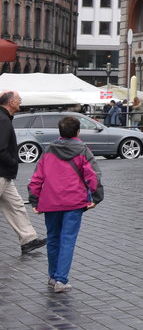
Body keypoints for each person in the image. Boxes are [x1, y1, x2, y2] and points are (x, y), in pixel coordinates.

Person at [28, 115, 100, 292]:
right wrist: (96, 198)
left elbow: (37, 177)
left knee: (53, 239)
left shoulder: (49, 150)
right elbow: (93, 176)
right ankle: (61, 280)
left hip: (50, 202)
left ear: (59, 131)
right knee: (67, 240)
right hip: (74, 201)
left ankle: (52, 277)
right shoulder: (83, 150)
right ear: (78, 131)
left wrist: (34, 199)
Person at [0, 91, 47, 255]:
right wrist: (12, 162)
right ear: (11, 102)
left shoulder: (4, 118)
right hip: (2, 172)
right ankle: (28, 239)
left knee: (16, 206)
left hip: (5, 174)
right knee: (16, 206)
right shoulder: (3, 121)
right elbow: (1, 149)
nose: (20, 102)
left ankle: (28, 240)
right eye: (19, 100)